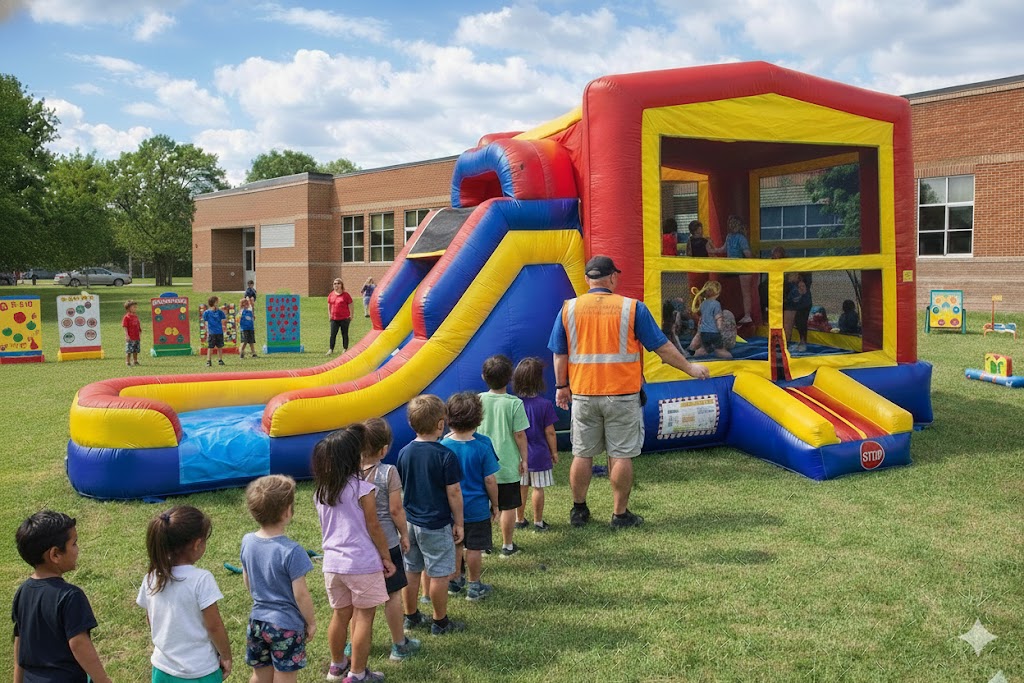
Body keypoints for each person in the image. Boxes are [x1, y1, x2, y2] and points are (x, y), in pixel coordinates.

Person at [549, 255, 710, 529]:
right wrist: (690, 368)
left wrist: (561, 386)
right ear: (612, 278)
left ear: (588, 279)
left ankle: (579, 511)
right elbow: (663, 348)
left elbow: (559, 354)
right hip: (621, 394)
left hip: (584, 394)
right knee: (621, 454)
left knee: (582, 453)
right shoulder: (632, 309)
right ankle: (620, 514)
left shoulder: (569, 309)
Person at [312, 427, 396, 683]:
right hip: (362, 564)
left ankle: (337, 666)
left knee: (340, 615)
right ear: (353, 458)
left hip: (332, 565)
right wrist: (386, 557)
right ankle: (357, 674)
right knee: (363, 617)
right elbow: (374, 527)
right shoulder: (363, 489)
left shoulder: (320, 492)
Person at [12, 511, 112, 683]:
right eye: (74, 544)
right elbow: (79, 644)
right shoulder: (70, 596)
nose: (77, 549)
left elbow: (19, 642)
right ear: (55, 554)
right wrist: (103, 680)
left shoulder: (22, 591)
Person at [396, 395, 466, 636]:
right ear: (440, 424)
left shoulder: (404, 453)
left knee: (412, 569)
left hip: (410, 522)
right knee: (439, 573)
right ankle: (440, 621)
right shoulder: (445, 456)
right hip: (436, 524)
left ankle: (411, 616)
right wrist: (459, 522)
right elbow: (454, 493)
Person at [138, 506, 232, 683]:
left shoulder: (151, 578)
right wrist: (226, 656)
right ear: (197, 544)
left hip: (162, 669)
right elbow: (214, 626)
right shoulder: (202, 579)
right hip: (200, 671)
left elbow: (150, 618)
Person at [240, 476, 316, 681]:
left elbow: (247, 579)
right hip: (286, 626)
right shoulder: (292, 551)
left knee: (259, 675)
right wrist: (310, 622)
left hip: (257, 621)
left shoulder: (247, 541)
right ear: (286, 512)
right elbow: (301, 594)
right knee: (285, 676)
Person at [358, 418, 421, 661]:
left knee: (360, 601)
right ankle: (399, 644)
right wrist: (404, 534)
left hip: (360, 546)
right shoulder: (388, 472)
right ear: (384, 449)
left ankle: (353, 646)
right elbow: (396, 510)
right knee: (393, 595)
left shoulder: (350, 474)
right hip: (387, 544)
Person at [441, 392, 500, 601]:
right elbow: (490, 480)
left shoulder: (442, 446)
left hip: (449, 508)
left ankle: (454, 581)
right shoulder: (483, 444)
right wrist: (496, 505)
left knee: (457, 543)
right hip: (477, 509)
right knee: (474, 547)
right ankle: (474, 586)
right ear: (478, 418)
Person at [477, 355, 529, 557]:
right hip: (507, 465)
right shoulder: (515, 404)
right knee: (508, 507)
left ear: (483, 377)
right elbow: (520, 434)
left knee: (484, 506)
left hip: (482, 464)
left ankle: (483, 545)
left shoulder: (478, 400)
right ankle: (507, 546)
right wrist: (524, 459)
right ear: (510, 378)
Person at [511, 357, 559, 531]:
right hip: (539, 454)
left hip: (518, 455)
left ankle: (519, 519)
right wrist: (554, 452)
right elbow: (550, 432)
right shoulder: (545, 405)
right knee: (538, 488)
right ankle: (538, 522)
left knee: (521, 487)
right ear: (539, 381)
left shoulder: (514, 404)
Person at [709, 215, 755, 324]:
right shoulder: (731, 237)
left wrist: (753, 262)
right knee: (742, 293)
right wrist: (713, 249)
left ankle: (747, 315)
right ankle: (742, 314)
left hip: (740, 268)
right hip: (733, 267)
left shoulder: (739, 238)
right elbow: (724, 249)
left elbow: (746, 254)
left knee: (745, 293)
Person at [690, 281, 733, 359]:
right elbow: (718, 317)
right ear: (717, 293)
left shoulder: (703, 304)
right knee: (719, 350)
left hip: (704, 332)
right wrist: (720, 327)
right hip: (713, 332)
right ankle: (731, 360)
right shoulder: (716, 304)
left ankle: (693, 358)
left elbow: (703, 318)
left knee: (703, 348)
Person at [783, 272, 813, 352]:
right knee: (787, 324)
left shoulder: (804, 279)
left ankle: (802, 342)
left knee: (801, 322)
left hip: (802, 301)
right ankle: (786, 345)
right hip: (789, 298)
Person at [327, 278, 353, 355]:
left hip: (344, 318)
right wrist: (329, 315)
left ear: (341, 285)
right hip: (334, 318)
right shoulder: (331, 294)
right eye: (334, 284)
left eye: (338, 283)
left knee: (344, 334)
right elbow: (329, 305)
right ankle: (331, 349)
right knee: (333, 334)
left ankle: (345, 349)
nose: (336, 285)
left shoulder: (346, 295)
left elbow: (351, 305)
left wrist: (351, 315)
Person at [203, 296, 227, 367]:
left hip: (219, 332)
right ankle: (208, 361)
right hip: (212, 332)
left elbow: (223, 320)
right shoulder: (207, 312)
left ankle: (220, 360)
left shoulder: (220, 312)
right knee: (210, 347)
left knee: (220, 346)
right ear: (213, 303)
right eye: (216, 302)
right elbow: (205, 321)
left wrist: (224, 327)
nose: (217, 303)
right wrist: (207, 330)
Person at [122, 299, 142, 367]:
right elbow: (125, 326)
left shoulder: (136, 316)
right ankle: (127, 362)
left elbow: (138, 325)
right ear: (128, 308)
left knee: (136, 350)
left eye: (136, 307)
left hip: (136, 336)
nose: (135, 308)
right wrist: (126, 335)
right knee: (129, 350)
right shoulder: (126, 317)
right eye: (134, 307)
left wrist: (140, 332)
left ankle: (135, 361)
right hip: (130, 337)